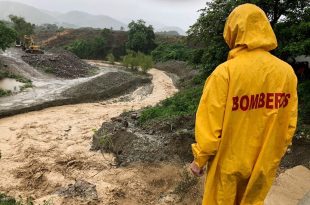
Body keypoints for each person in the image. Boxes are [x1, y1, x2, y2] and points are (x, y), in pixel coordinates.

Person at [190, 3, 298, 205]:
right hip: (264, 163)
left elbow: (210, 124)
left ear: (233, 30)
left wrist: (200, 159)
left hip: (227, 166)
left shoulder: (225, 73)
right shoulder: (287, 74)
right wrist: (276, 153)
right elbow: (289, 124)